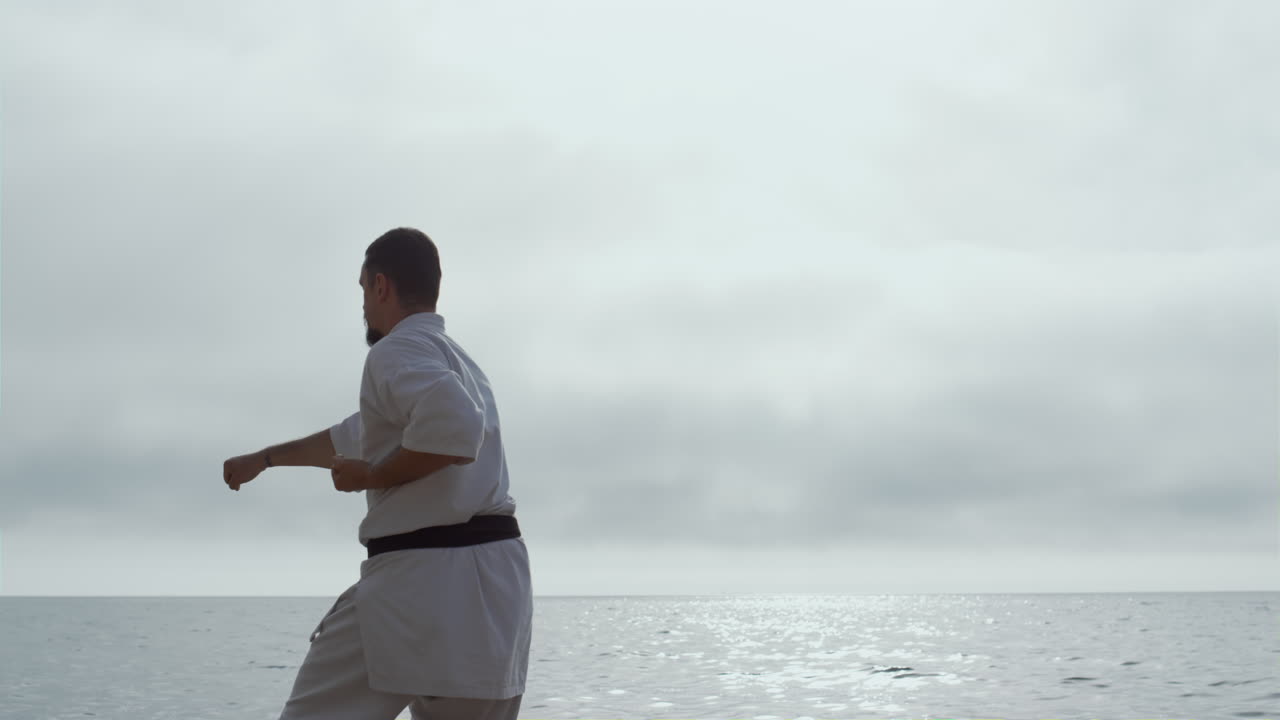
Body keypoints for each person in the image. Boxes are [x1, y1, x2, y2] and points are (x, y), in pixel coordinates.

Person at [221, 227, 532, 720]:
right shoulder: (462, 366)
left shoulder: (394, 352)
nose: (363, 305)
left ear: (381, 286)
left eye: (363, 290)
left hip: (420, 584)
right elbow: (357, 435)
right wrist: (265, 459)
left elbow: (454, 430)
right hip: (497, 594)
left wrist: (374, 476)